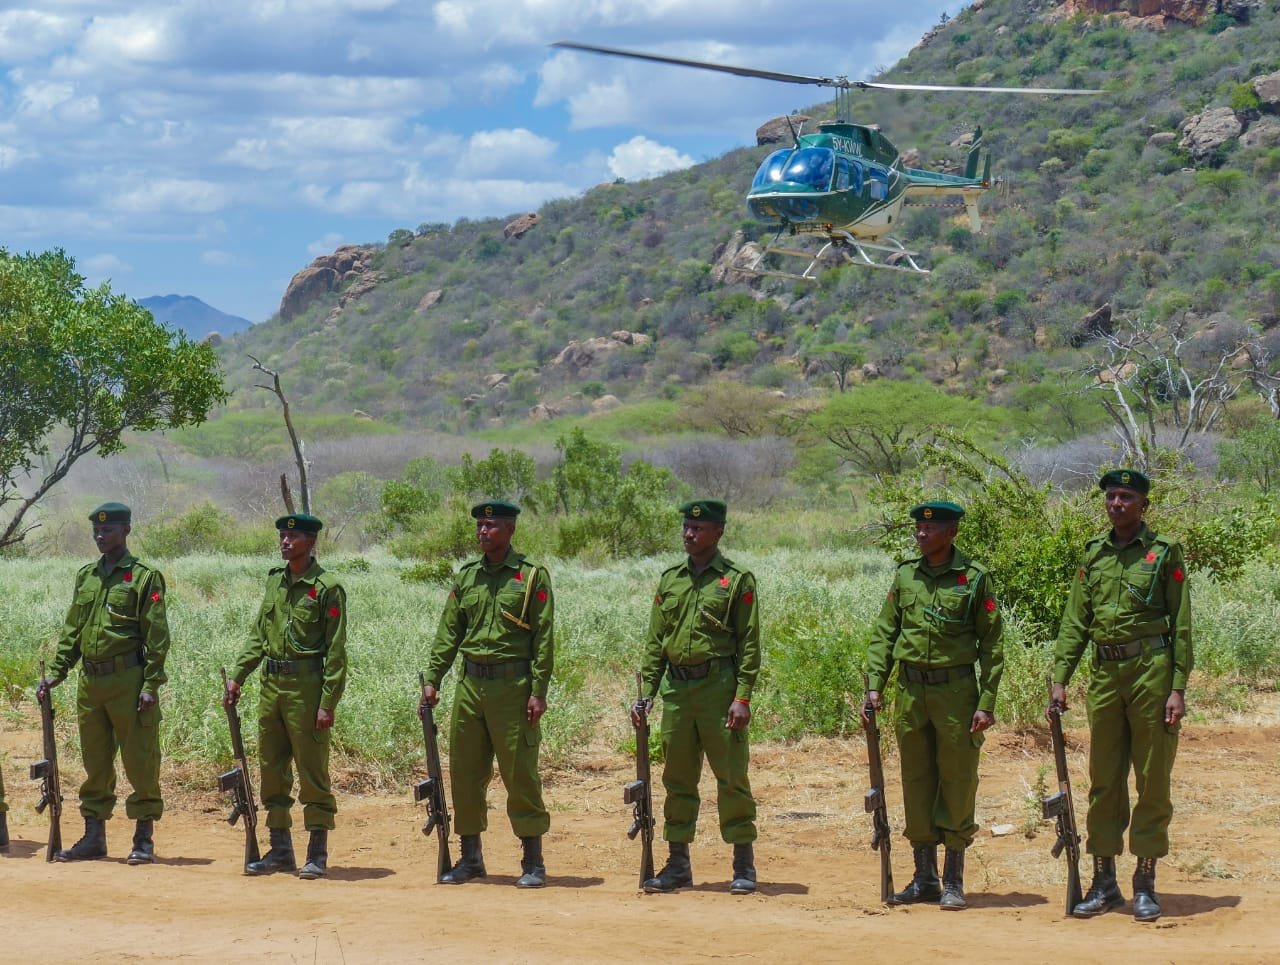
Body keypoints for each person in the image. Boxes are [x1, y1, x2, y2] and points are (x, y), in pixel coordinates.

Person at [1048, 469, 1191, 923]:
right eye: (1111, 497)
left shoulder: (1164, 551)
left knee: (1152, 778)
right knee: (1104, 779)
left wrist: (1178, 687)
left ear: (1143, 505)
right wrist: (1060, 677)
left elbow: (1181, 622)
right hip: (1106, 673)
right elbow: (1075, 621)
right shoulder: (1094, 553)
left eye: (1126, 497)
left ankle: (1145, 882)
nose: (1117, 504)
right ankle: (1104, 881)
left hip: (1152, 669)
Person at [862, 501, 1004, 910]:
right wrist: (875, 686)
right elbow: (884, 633)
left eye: (931, 529)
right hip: (910, 692)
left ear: (951, 533)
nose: (922, 535)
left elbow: (992, 645)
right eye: (919, 530)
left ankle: (952, 880)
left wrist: (987, 702)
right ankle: (923, 878)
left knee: (958, 781)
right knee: (916, 780)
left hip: (956, 693)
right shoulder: (906, 575)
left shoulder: (973, 579)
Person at [421, 500, 554, 888]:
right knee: (465, 772)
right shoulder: (466, 578)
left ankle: (532, 861)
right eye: (480, 526)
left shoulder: (531, 577)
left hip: (513, 688)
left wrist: (538, 690)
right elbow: (449, 634)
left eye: (491, 526)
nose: (483, 532)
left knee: (520, 773)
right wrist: (434, 679)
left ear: (510, 530)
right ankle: (470, 858)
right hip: (471, 685)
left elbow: (544, 639)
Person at [635, 498, 760, 895]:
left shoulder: (737, 579)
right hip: (676, 691)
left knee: (731, 777)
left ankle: (743, 864)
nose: (689, 534)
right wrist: (648, 693)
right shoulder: (670, 578)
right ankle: (677, 865)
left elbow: (750, 643)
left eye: (699, 529)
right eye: (687, 528)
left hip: (718, 687)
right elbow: (656, 640)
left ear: (718, 532)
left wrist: (743, 697)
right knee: (677, 778)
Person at [36, 502, 170, 864]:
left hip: (128, 679)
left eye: (108, 530)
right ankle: (94, 837)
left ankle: (143, 838)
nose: (100, 535)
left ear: (125, 531)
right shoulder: (87, 575)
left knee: (139, 759)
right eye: (96, 530)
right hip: (90, 682)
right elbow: (73, 630)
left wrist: (150, 684)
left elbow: (157, 637)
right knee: (95, 760)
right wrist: (58, 672)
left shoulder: (143, 577)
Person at [224, 513, 347, 879]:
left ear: (311, 542)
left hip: (306, 687)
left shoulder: (326, 588)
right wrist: (238, 675)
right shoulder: (275, 582)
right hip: (271, 686)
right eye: (282, 536)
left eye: (293, 537)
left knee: (312, 770)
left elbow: (337, 652)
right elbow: (258, 635)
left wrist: (328, 702)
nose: (285, 542)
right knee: (272, 770)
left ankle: (317, 853)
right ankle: (279, 850)